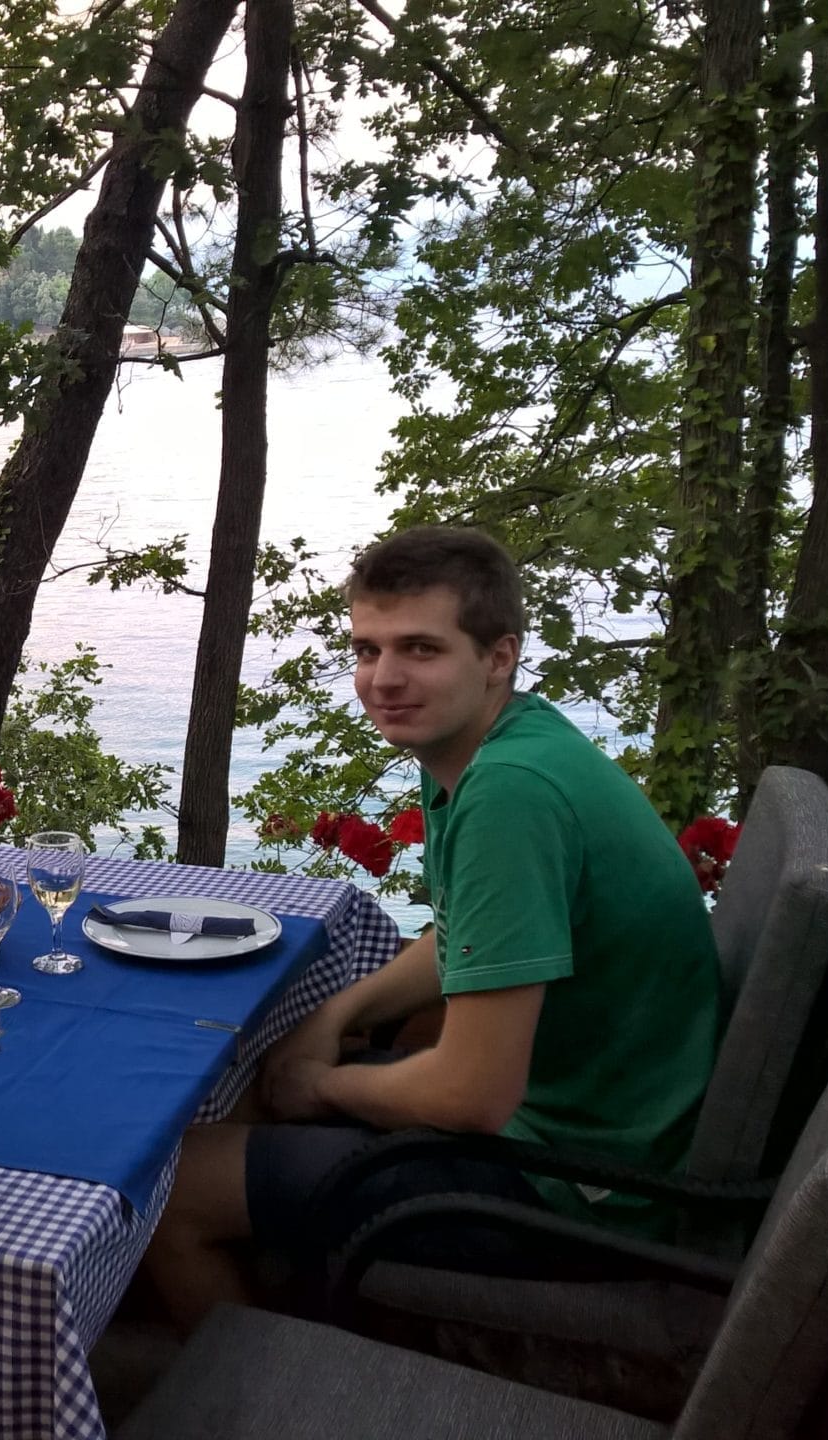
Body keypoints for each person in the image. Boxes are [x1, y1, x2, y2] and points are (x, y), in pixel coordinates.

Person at [143, 525, 720, 1330]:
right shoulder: (495, 743)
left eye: (420, 648)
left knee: (165, 1190)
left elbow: (469, 1094)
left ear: (498, 656)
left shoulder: (511, 794)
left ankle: (264, 1376)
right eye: (367, 649)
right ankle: (284, 1301)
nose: (384, 679)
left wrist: (324, 1086)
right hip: (597, 1126)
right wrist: (340, 1013)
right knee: (244, 1096)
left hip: (582, 1186)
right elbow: (469, 937)